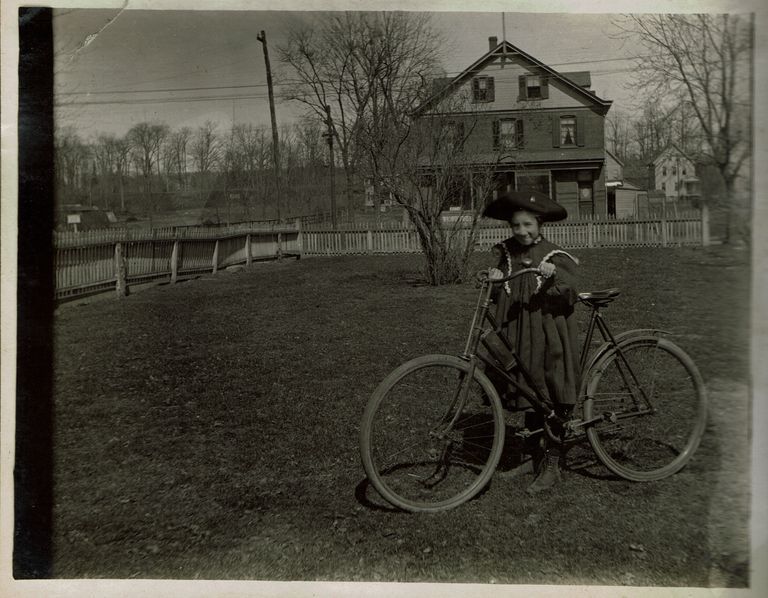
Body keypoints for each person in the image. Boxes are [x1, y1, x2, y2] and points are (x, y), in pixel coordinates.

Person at [483, 190, 581, 494]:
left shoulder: (553, 254)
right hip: (520, 333)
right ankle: (532, 456)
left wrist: (552, 276)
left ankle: (552, 464)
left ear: (540, 224)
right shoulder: (508, 253)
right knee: (529, 386)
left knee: (548, 389)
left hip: (546, 332)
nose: (522, 231)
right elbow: (501, 292)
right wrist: (495, 276)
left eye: (528, 224)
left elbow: (570, 291)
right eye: (516, 225)